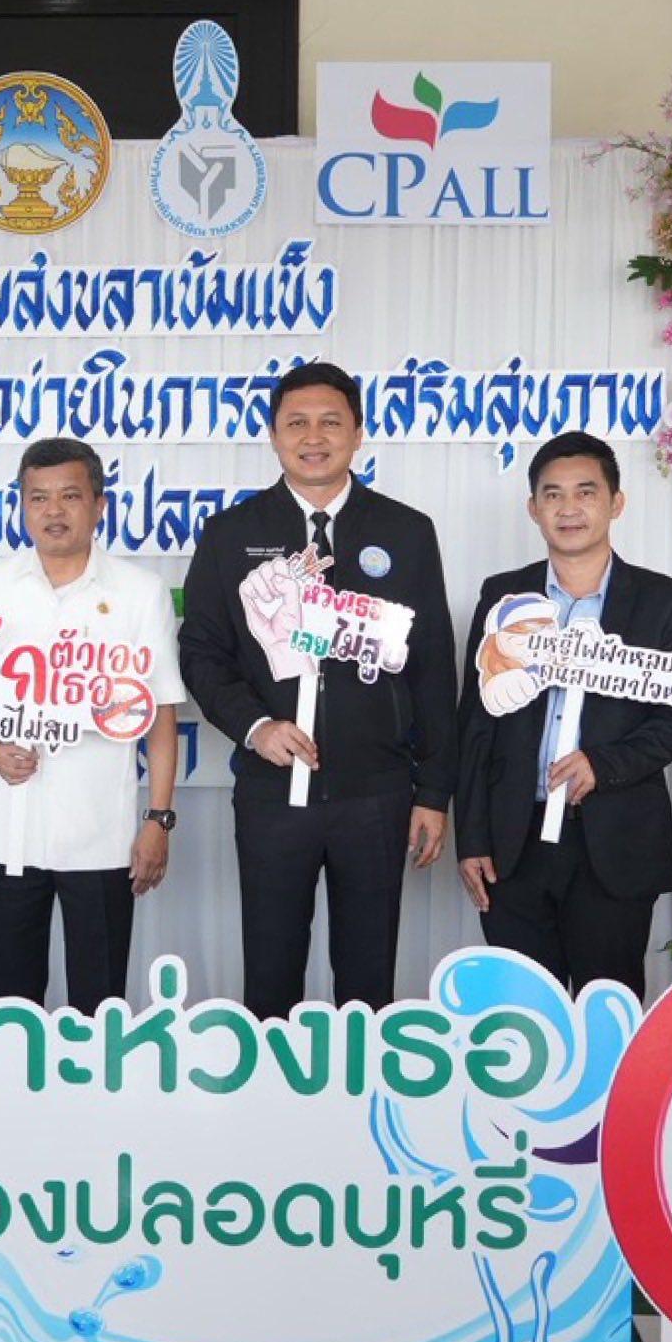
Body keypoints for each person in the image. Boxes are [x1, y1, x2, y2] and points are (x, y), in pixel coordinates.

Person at [179, 362, 457, 1016]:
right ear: (274, 435)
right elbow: (202, 654)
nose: (314, 437)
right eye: (296, 423)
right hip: (273, 794)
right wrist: (257, 727)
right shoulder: (232, 534)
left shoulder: (406, 531)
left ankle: (360, 1085)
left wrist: (434, 792)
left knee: (369, 983)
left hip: (378, 794)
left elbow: (433, 667)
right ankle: (270, 1083)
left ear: (358, 433)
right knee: (270, 978)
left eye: (331, 422)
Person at [455, 432, 672, 997]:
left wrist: (604, 764)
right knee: (520, 1013)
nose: (569, 508)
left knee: (606, 1006)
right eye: (553, 495)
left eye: (586, 492)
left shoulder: (666, 601)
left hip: (614, 843)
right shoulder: (503, 596)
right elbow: (476, 724)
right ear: (533, 508)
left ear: (616, 503)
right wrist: (472, 838)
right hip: (514, 844)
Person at [0, 438, 181, 1008]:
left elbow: (160, 715)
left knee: (100, 1004)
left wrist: (158, 821)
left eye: (70, 496)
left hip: (100, 834)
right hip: (5, 830)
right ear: (22, 506)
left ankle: (96, 1074)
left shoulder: (140, 592)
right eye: (38, 498)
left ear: (99, 505)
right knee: (9, 1007)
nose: (53, 511)